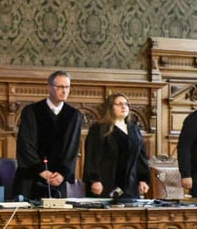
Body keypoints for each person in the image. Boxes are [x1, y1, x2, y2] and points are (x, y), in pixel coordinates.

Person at [13, 71, 83, 200]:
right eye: (60, 87)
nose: (64, 91)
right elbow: (25, 145)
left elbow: (72, 149)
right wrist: (41, 171)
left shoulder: (74, 115)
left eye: (67, 87)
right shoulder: (32, 111)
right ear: (50, 87)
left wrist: (62, 173)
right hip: (32, 178)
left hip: (58, 180)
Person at [83, 93, 150, 199]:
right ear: (110, 108)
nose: (124, 107)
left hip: (130, 185)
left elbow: (140, 157)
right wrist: (94, 180)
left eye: (126, 104)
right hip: (105, 184)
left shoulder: (134, 129)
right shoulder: (99, 129)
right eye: (119, 104)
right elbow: (92, 157)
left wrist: (143, 179)